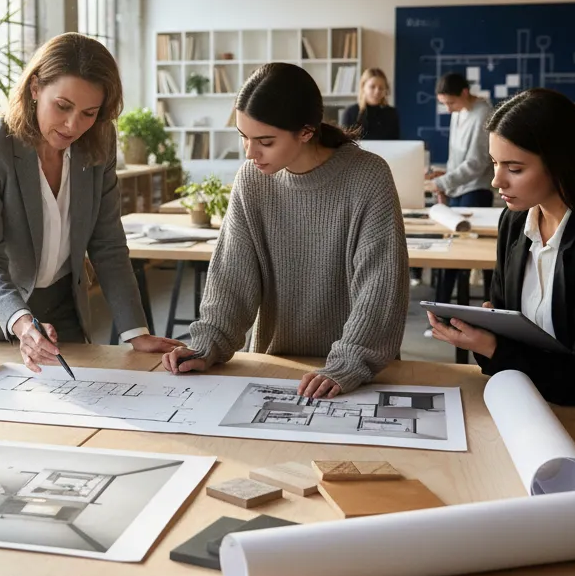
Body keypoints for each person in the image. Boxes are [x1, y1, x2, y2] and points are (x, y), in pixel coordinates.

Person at [0, 32, 181, 372]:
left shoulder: (98, 143)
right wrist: (23, 324)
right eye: (63, 106)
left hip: (59, 301)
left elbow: (108, 245)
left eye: (89, 113)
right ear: (35, 88)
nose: (74, 125)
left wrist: (137, 333)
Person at [162, 61, 409, 398]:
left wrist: (350, 361)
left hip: (355, 376)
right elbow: (231, 279)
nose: (251, 153)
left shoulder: (368, 177)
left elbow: (380, 287)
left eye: (265, 140)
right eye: (244, 138)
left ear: (306, 131)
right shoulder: (252, 181)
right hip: (277, 367)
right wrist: (208, 344)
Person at [426, 88, 575, 406]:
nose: (497, 181)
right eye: (495, 163)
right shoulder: (513, 224)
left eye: (514, 168)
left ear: (560, 163)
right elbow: (504, 346)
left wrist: (493, 347)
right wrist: (486, 337)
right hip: (526, 406)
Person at [427, 73, 494, 302]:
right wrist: (443, 177)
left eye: (450, 102)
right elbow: (456, 157)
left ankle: (446, 313)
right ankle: (440, 312)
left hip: (476, 191)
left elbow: (476, 163)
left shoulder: (483, 114)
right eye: (444, 103)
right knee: (448, 253)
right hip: (457, 190)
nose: (448, 109)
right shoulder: (459, 112)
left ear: (464, 93)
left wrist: (440, 182)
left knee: (458, 256)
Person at [341, 68, 401, 140]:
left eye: (381, 88)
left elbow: (396, 144)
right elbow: (344, 145)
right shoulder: (350, 113)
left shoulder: (392, 113)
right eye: (372, 87)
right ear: (363, 87)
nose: (377, 91)